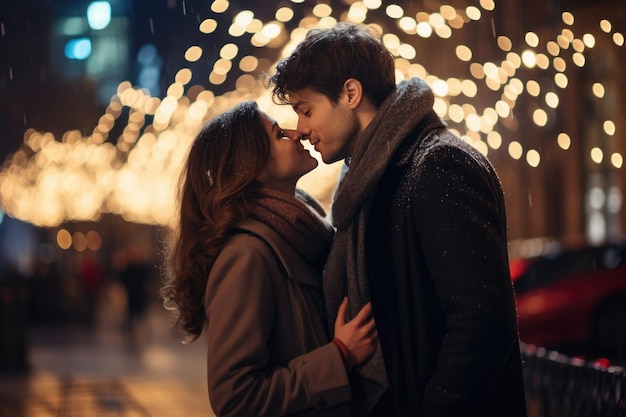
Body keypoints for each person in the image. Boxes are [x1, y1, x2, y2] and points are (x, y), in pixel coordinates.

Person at [268, 22, 528, 417]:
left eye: (307, 110)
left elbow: (482, 324)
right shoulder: (368, 178)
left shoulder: (438, 165)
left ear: (351, 94)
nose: (302, 130)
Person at [159, 100, 378, 417]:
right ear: (253, 167)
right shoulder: (247, 255)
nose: (297, 132)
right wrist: (339, 355)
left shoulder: (295, 236)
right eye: (278, 134)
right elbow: (234, 397)